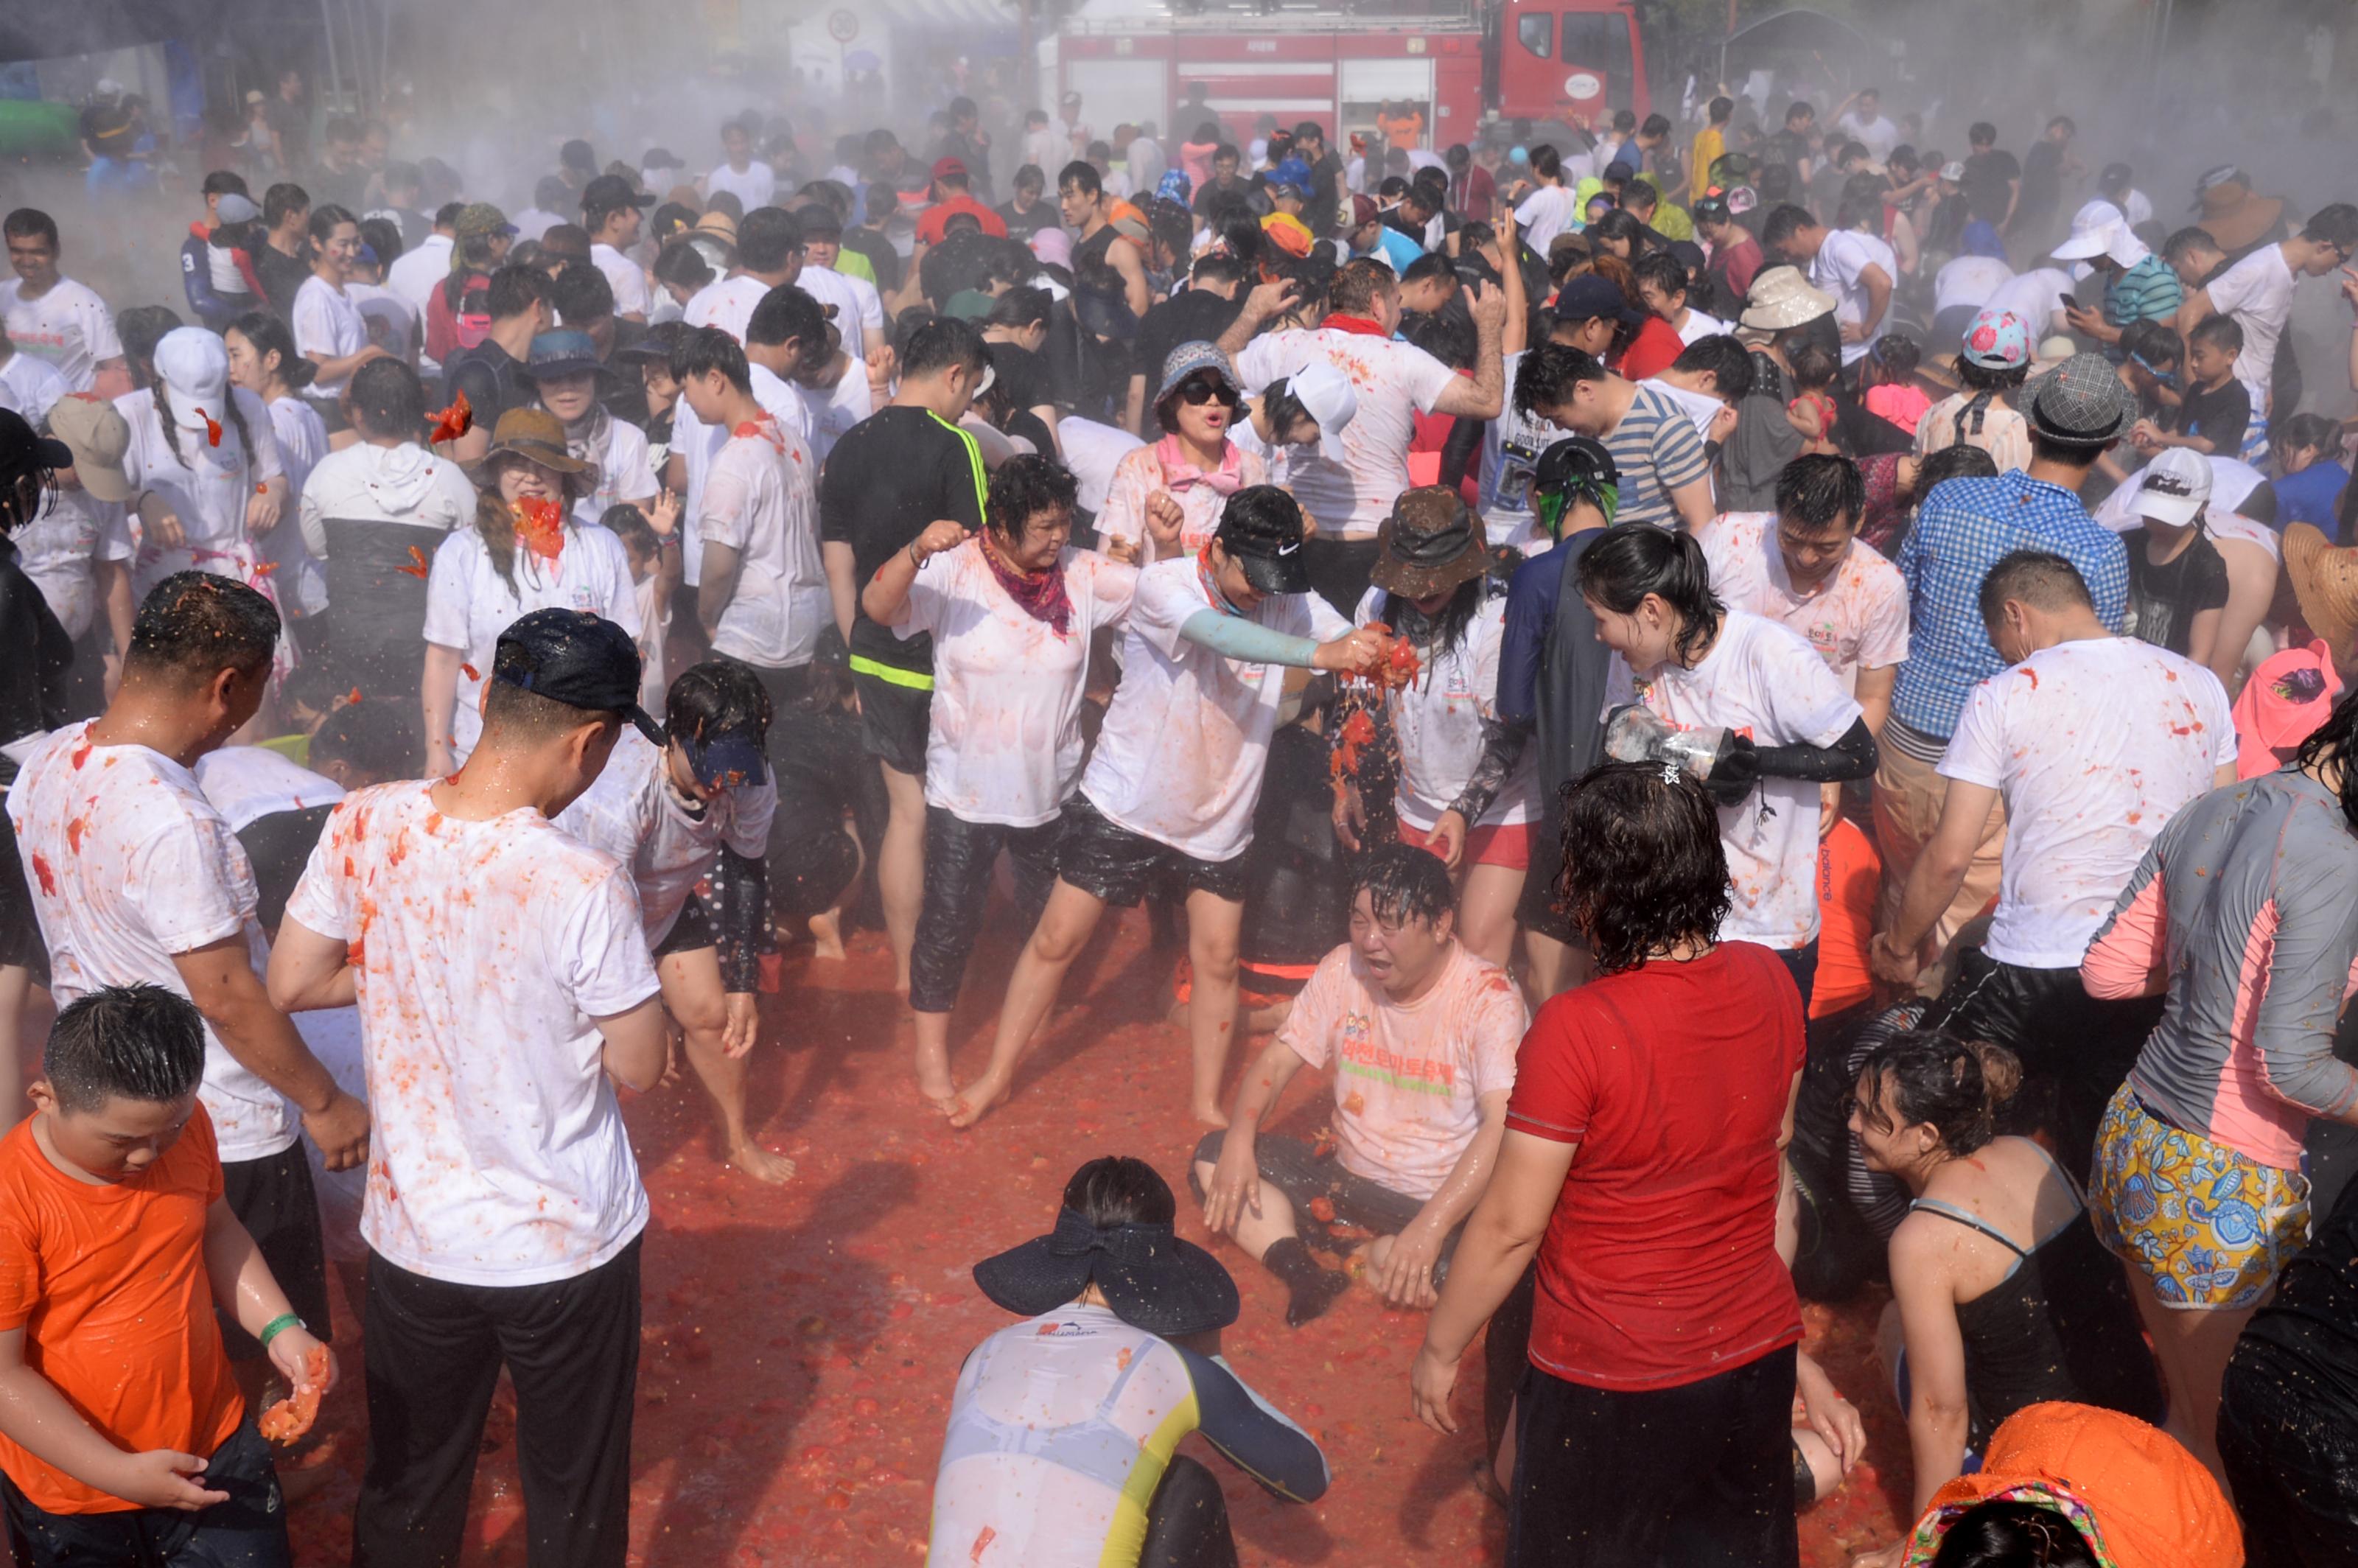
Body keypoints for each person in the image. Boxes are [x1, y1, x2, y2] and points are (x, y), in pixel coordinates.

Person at [270, 607, 665, 1567]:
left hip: (416, 1240)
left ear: (491, 699)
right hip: (563, 1247)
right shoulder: (581, 880)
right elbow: (643, 1065)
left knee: (411, 1484)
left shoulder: (365, 820)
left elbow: (290, 983)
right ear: (592, 741)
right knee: (571, 1492)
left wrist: (417, 967)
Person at [1410, 760, 1809, 1567]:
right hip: (1752, 1350)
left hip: (1612, 1373)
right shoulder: (1771, 980)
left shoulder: (1576, 1027)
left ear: (1590, 887)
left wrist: (1439, 1349)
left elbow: (1509, 1228)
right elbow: (1772, 1147)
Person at [6, 573, 365, 1409]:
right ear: (227, 686)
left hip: (100, 1104)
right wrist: (323, 1100)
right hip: (221, 1121)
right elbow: (228, 994)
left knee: (153, 1314)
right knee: (266, 1357)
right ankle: (267, 1473)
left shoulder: (50, 762)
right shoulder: (172, 818)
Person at [949, 487, 1389, 1127]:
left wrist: (1380, 651)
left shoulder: (1286, 595)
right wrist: (1319, 655)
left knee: (1215, 958)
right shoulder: (1165, 584)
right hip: (1128, 799)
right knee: (1057, 939)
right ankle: (995, 1077)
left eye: (1277, 582)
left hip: (1220, 809)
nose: (1264, 595)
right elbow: (1221, 635)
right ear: (1216, 551)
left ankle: (1206, 1104)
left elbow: (1347, 637)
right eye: (1253, 577)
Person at [1873, 549, 2233, 1180]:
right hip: (2153, 970)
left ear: (2017, 616)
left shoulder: (2004, 694)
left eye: (2003, 643)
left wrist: (1901, 945)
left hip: (2033, 970)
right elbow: (2225, 830)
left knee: (1915, 1116)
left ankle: (1956, 1261)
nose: (2009, 657)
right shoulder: (2200, 685)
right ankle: (2079, 1272)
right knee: (2103, 1157)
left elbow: (1951, 855)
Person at [0, 984, 336, 1567]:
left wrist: (281, 1326)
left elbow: (219, 1231)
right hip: (74, 1489)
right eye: (122, 1141)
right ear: (44, 1097)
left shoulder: (185, 1125)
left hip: (215, 1442)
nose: (148, 1156)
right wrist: (117, 1473)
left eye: (170, 1131)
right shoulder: (12, 1200)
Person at [861, 455, 1135, 1108]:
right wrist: (913, 549)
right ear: (1003, 524)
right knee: (950, 924)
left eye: (1065, 525)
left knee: (1051, 926)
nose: (1057, 540)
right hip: (966, 792)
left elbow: (1164, 598)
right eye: (1043, 527)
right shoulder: (954, 567)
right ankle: (932, 1053)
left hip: (1053, 792)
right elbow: (876, 607)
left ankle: (1022, 1044)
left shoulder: (1083, 574)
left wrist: (1172, 541)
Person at [928, 1155, 1328, 1567]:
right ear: (1162, 1273)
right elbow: (1308, 1477)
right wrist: (1210, 1361)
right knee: (1187, 1485)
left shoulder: (982, 1356)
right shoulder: (1174, 1366)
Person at [1196, 843, 1524, 1325]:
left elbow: (1503, 1128)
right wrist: (1241, 1143)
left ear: (1440, 925)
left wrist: (1430, 1229)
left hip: (1436, 1202)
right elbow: (1274, 1065)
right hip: (1342, 1179)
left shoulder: (1489, 998)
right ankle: (1305, 1271)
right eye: (1359, 921)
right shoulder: (1341, 968)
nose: (1370, 941)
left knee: (1486, 1277)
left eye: (1389, 926)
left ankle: (1367, 1255)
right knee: (1212, 1156)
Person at [1878, 354, 2133, 956]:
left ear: (2031, 424)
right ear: (2110, 444)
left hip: (1907, 743)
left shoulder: (1950, 499)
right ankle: (1916, 1035)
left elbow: (1898, 601)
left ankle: (1882, 1018)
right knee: (1955, 928)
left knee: (1900, 893)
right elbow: (2090, 675)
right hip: (1997, 771)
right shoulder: (2100, 551)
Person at [1582, 526, 1874, 1009]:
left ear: (1651, 610)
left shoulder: (1770, 655)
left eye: (1601, 620)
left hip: (1767, 926)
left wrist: (1757, 763)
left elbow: (1862, 755)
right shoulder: (1633, 654)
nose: (1598, 636)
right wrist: (1686, 760)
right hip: (1669, 918)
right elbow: (1620, 742)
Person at [557, 659, 790, 1183]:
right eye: (712, 767)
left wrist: (744, 982)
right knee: (603, 1055)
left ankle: (735, 1140)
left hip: (663, 905)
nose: (724, 785)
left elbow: (748, 868)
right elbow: (604, 914)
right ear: (676, 737)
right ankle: (578, 1173)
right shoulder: (620, 800)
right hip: (584, 919)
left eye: (738, 768)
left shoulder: (751, 776)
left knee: (714, 1018)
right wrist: (646, 1013)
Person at [816, 316, 991, 993]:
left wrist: (860, 652)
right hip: (943, 656)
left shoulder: (848, 448)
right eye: (970, 388)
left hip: (873, 655)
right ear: (954, 375)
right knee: (952, 812)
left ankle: (901, 971)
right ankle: (946, 965)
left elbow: (839, 570)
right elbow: (977, 562)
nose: (968, 402)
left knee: (903, 814)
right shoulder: (956, 446)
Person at [1219, 262, 1504, 616]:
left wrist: (1252, 314)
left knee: (1301, 661)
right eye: (1397, 303)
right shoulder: (1403, 359)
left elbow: (1207, 367)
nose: (1400, 315)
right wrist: (1490, 327)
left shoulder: (1284, 346)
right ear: (1377, 304)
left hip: (1294, 540)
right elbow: (1488, 401)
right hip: (1374, 547)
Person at [1335, 488, 1536, 964]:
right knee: (1417, 943)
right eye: (1413, 579)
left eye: (1437, 579)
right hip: (1420, 799)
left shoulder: (1495, 622)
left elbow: (1510, 739)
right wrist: (1347, 785)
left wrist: (1464, 811)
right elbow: (1358, 698)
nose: (1423, 591)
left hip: (1501, 806)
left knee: (1479, 947)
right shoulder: (1378, 607)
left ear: (1464, 567)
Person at [421, 407, 639, 775]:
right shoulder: (461, 552)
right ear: (495, 473)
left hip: (582, 758)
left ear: (564, 476)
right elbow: (443, 659)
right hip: (484, 750)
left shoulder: (602, 546)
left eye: (544, 465)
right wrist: (436, 749)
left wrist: (629, 751)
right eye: (516, 464)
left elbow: (629, 656)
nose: (531, 478)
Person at [1701, 452, 1909, 749]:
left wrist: (1836, 761)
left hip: (1805, 747)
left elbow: (1873, 697)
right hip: (1707, 729)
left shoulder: (1881, 586)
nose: (1806, 558)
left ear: (1859, 521)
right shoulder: (1725, 539)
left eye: (1826, 547)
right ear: (1778, 511)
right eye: (1791, 539)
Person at [297, 358, 477, 696]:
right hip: (425, 649)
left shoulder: (327, 473)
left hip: (350, 642)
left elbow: (317, 548)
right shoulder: (450, 480)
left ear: (359, 414)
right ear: (418, 412)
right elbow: (473, 559)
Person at [2176, 203, 2358, 453]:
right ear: (2324, 246)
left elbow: (2262, 335)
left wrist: (2267, 385)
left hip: (2255, 397)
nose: (2337, 268)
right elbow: (2189, 312)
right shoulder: (2260, 268)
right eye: (2342, 258)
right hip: (2230, 403)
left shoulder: (2288, 273)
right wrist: (2191, 381)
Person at [1509, 341, 1715, 531]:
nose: (1560, 428)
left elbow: (1703, 523)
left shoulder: (1664, 424)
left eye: (1558, 418)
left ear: (1584, 390)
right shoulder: (1586, 435)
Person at [1098, 343, 1267, 564]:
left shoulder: (1252, 467)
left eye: (1224, 392)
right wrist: (1120, 557)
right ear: (1170, 403)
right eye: (1198, 391)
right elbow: (1108, 561)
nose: (1214, 401)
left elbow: (1260, 558)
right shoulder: (1138, 466)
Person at [2119, 448, 2232, 664]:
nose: (2158, 521)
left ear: (2202, 508)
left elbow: (2200, 653)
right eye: (2152, 512)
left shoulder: (2207, 568)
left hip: (2171, 673)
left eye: (2169, 514)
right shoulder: (2125, 545)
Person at [0, 211, 127, 398]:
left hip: (65, 420)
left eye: (38, 252)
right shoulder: (2, 295)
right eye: (17, 251)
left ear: (56, 250)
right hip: (9, 420)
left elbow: (116, 372)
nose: (27, 261)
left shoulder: (86, 303)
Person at [1764, 203, 1894, 373]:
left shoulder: (1839, 248)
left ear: (1800, 230)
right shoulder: (1823, 252)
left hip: (1856, 360)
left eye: (1785, 250)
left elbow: (1882, 282)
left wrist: (1866, 330)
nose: (1787, 258)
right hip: (1840, 358)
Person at [289, 203, 386, 410]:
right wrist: (368, 354)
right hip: (329, 408)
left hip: (349, 402)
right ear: (316, 243)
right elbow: (319, 372)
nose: (352, 252)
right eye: (342, 244)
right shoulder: (317, 296)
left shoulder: (340, 292)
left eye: (356, 242)